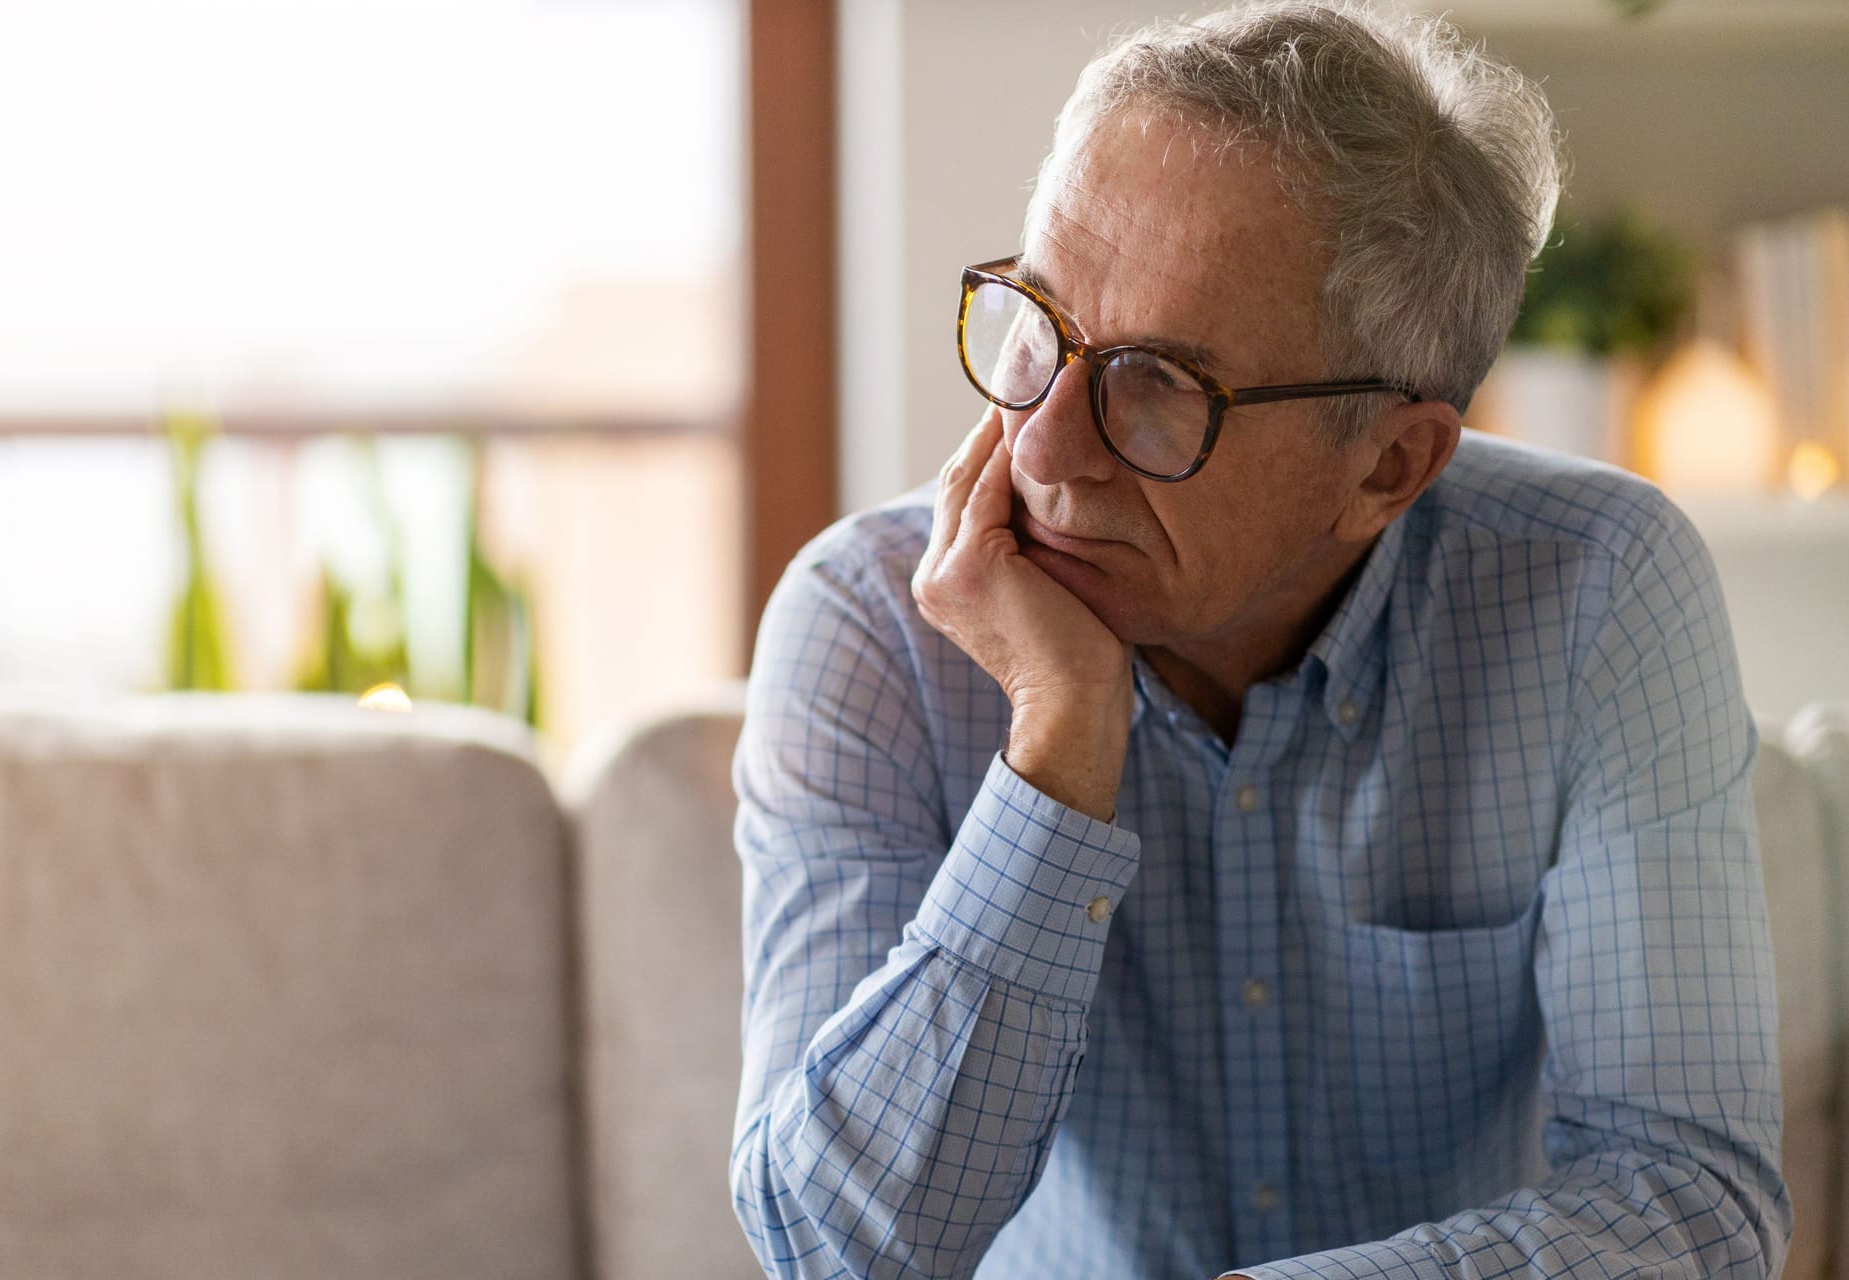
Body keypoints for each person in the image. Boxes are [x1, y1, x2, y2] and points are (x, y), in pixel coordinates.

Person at [729, 3, 1790, 1277]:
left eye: (1158, 382)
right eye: (1040, 322)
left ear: (1390, 463)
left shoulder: (1597, 587)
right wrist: (1058, 746)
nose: (1044, 446)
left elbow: (1692, 1202)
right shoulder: (867, 623)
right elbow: (834, 1247)